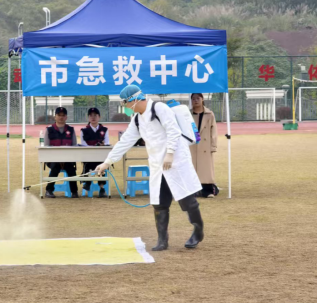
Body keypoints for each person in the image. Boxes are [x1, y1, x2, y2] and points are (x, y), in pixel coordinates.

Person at [95, 85, 204, 250]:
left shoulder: (159, 109)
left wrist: (170, 153)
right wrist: (107, 162)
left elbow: (173, 131)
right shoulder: (137, 119)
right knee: (159, 202)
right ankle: (162, 240)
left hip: (175, 160)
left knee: (187, 200)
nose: (125, 107)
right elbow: (125, 141)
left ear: (135, 99)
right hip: (157, 165)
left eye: (125, 103)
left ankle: (198, 230)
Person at [44, 107, 79, 198]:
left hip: (68, 159)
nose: (61, 117)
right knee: (55, 167)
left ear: (66, 117)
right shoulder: (49, 130)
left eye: (63, 115)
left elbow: (74, 145)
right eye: (59, 115)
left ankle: (74, 192)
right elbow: (46, 146)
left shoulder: (71, 130)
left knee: (71, 170)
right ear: (55, 116)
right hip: (53, 159)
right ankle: (49, 190)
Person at [189, 93, 218, 198]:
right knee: (191, 167)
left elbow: (214, 131)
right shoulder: (188, 114)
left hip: (205, 146)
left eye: (198, 98)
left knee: (206, 169)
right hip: (192, 145)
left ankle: (208, 190)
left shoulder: (210, 114)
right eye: (193, 99)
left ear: (202, 99)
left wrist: (213, 146)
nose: (196, 100)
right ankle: (193, 190)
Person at [80, 107, 110, 198]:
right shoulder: (84, 130)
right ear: (88, 117)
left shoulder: (104, 130)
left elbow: (107, 143)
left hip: (100, 156)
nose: (93, 117)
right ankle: (88, 182)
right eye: (91, 115)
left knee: (102, 165)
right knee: (88, 164)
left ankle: (101, 188)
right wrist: (93, 147)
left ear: (99, 117)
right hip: (89, 156)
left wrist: (103, 145)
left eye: (95, 115)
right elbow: (83, 144)